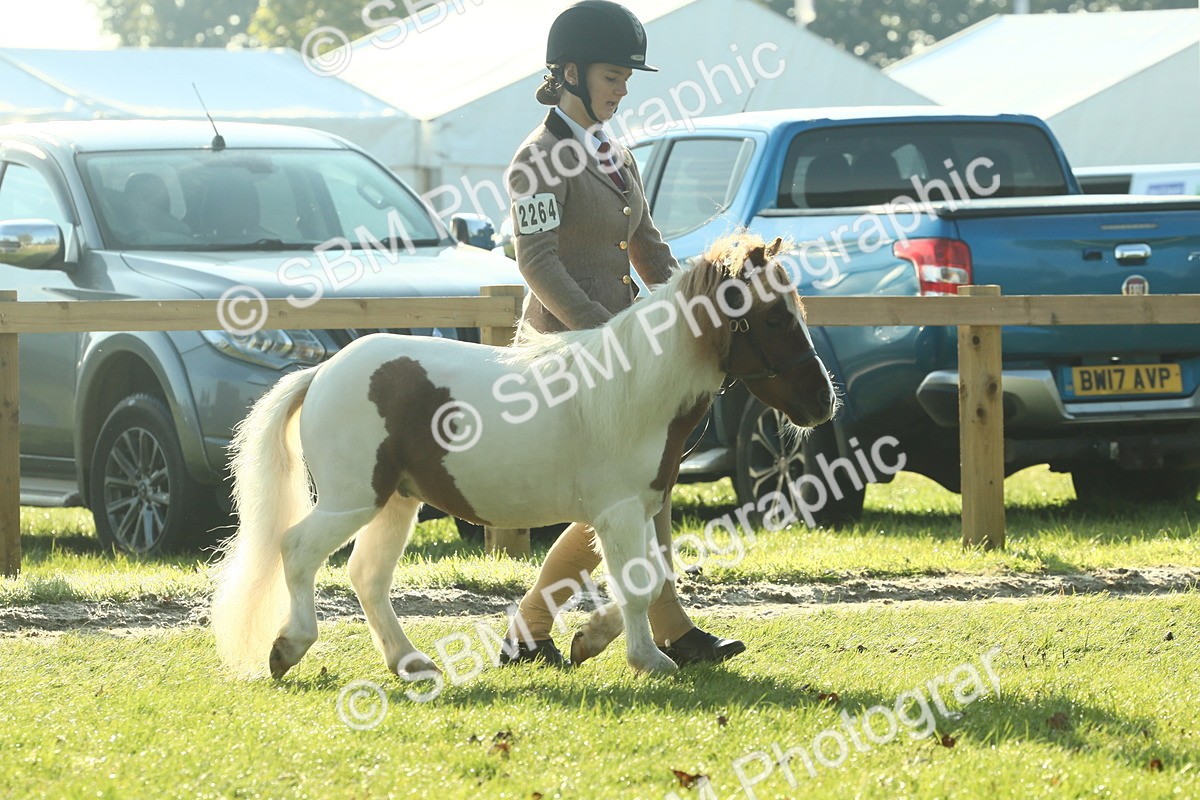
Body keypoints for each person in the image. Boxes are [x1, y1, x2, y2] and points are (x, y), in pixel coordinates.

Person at [500, 0, 744, 669]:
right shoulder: (536, 158)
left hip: (626, 354)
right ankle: (659, 629)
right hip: (564, 349)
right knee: (635, 490)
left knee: (638, 490)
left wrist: (690, 305)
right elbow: (537, 261)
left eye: (627, 78)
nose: (624, 88)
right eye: (614, 75)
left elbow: (647, 247)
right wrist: (603, 334)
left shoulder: (614, 152)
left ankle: (551, 628)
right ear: (570, 73)